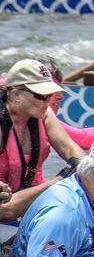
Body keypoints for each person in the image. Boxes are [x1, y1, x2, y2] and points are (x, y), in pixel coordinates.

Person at [0, 59, 83, 202]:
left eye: (49, 95)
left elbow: (69, 148)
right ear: (16, 95)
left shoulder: (44, 113)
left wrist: (88, 167)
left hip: (27, 198)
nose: (47, 101)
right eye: (41, 95)